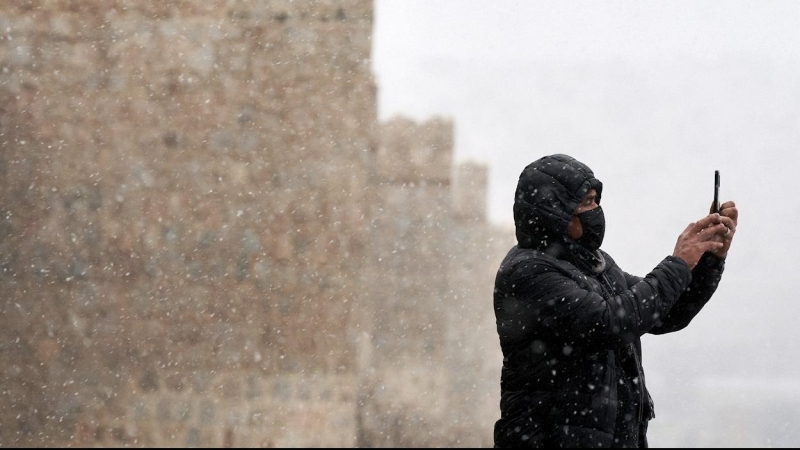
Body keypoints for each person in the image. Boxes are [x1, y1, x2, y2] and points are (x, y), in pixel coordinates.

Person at [493, 154, 738, 448]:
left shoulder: (595, 264)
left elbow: (666, 313)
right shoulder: (528, 271)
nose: (594, 211)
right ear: (553, 212)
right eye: (584, 203)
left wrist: (710, 257)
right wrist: (678, 262)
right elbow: (611, 322)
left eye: (595, 200)